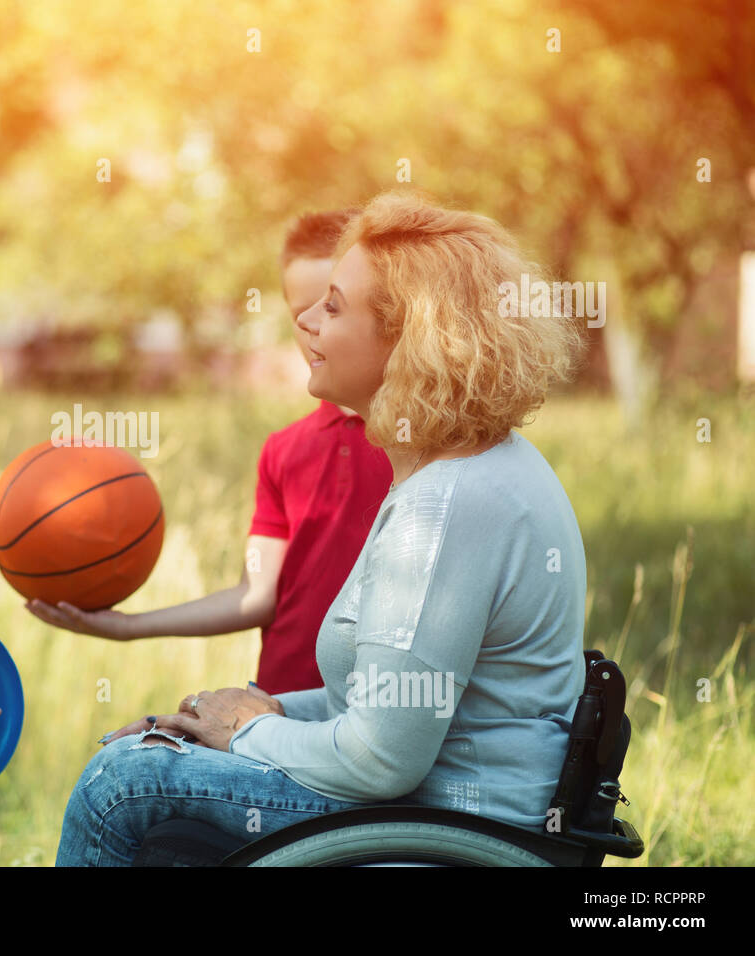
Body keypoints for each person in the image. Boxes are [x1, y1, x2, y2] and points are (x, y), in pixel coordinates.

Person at [56, 190, 588, 866]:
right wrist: (210, 720)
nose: (305, 320)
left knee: (121, 783)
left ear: (409, 340)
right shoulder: (461, 469)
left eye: (333, 306)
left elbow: (379, 761)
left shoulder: (447, 505)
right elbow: (371, 707)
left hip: (445, 836)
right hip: (424, 811)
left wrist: (248, 733)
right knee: (152, 755)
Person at [26, 210, 392, 698]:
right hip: (279, 707)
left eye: (331, 307)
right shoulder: (284, 451)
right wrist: (129, 626)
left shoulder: (420, 439)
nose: (311, 328)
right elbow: (256, 595)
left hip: (378, 708)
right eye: (299, 312)